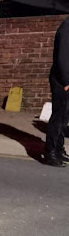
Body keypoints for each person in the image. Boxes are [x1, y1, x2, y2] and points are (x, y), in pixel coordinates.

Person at [45, 15, 69, 167]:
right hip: (62, 81)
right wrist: (66, 81)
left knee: (64, 119)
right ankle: (50, 153)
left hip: (65, 80)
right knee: (58, 118)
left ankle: (59, 149)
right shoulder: (67, 28)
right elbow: (63, 57)